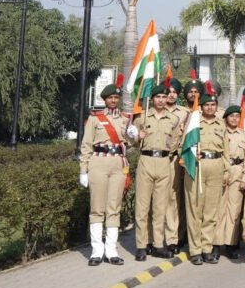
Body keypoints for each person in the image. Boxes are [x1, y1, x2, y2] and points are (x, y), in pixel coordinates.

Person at [79, 77, 134, 266]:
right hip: (98, 163)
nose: (113, 100)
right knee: (97, 208)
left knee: (114, 208)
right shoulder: (95, 118)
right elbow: (86, 145)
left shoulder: (126, 119)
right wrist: (83, 170)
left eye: (115, 98)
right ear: (105, 99)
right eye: (110, 98)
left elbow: (131, 143)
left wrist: (134, 135)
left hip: (118, 164)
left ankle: (111, 251)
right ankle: (96, 251)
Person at [131, 84, 180, 261]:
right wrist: (138, 137)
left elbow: (175, 142)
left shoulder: (173, 119)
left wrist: (168, 155)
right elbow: (132, 142)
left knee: (160, 207)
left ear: (167, 98)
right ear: (152, 99)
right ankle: (142, 245)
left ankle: (159, 244)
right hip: (146, 160)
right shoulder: (142, 118)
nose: (160, 100)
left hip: (164, 162)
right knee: (142, 207)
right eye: (157, 97)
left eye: (163, 97)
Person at [182, 85, 228, 264]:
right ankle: (195, 250)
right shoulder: (193, 122)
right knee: (195, 209)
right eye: (206, 104)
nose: (210, 107)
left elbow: (226, 151)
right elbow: (183, 145)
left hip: (216, 166)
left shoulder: (221, 124)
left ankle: (207, 247)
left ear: (217, 107)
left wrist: (226, 171)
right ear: (201, 106)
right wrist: (193, 155)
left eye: (213, 104)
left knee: (211, 210)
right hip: (197, 166)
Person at [213, 105, 245, 259]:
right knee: (219, 209)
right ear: (226, 117)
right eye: (231, 116)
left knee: (234, 210)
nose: (234, 119)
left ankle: (231, 244)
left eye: (237, 116)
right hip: (221, 171)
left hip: (238, 170)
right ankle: (216, 243)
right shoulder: (219, 133)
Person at [164, 77, 189, 253]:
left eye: (174, 92)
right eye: (168, 92)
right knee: (160, 200)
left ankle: (176, 238)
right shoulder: (154, 111)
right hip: (158, 159)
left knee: (175, 198)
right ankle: (158, 238)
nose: (171, 95)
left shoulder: (185, 113)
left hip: (176, 159)